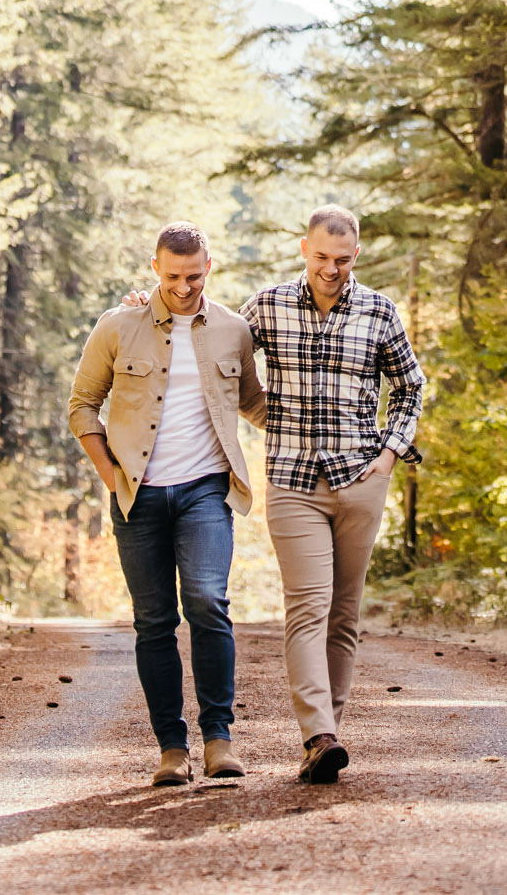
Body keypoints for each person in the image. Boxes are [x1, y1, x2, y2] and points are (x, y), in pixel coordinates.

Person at [67, 221, 266, 787]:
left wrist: (321, 422)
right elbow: (83, 406)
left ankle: (218, 739)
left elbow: (253, 403)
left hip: (206, 488)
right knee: (153, 622)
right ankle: (171, 749)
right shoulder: (117, 325)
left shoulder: (233, 329)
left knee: (207, 601)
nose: (184, 287)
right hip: (138, 496)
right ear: (155, 268)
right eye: (174, 276)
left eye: (195, 276)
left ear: (211, 267)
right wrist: (110, 474)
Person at [244, 205, 424, 785]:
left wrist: (390, 452)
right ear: (304, 249)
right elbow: (215, 349)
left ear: (357, 255)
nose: (331, 269)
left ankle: (329, 738)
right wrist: (263, 415)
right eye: (321, 257)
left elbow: (410, 386)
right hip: (293, 483)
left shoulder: (377, 311)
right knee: (308, 606)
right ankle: (316, 731)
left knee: (344, 614)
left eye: (342, 260)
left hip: (360, 480)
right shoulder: (268, 306)